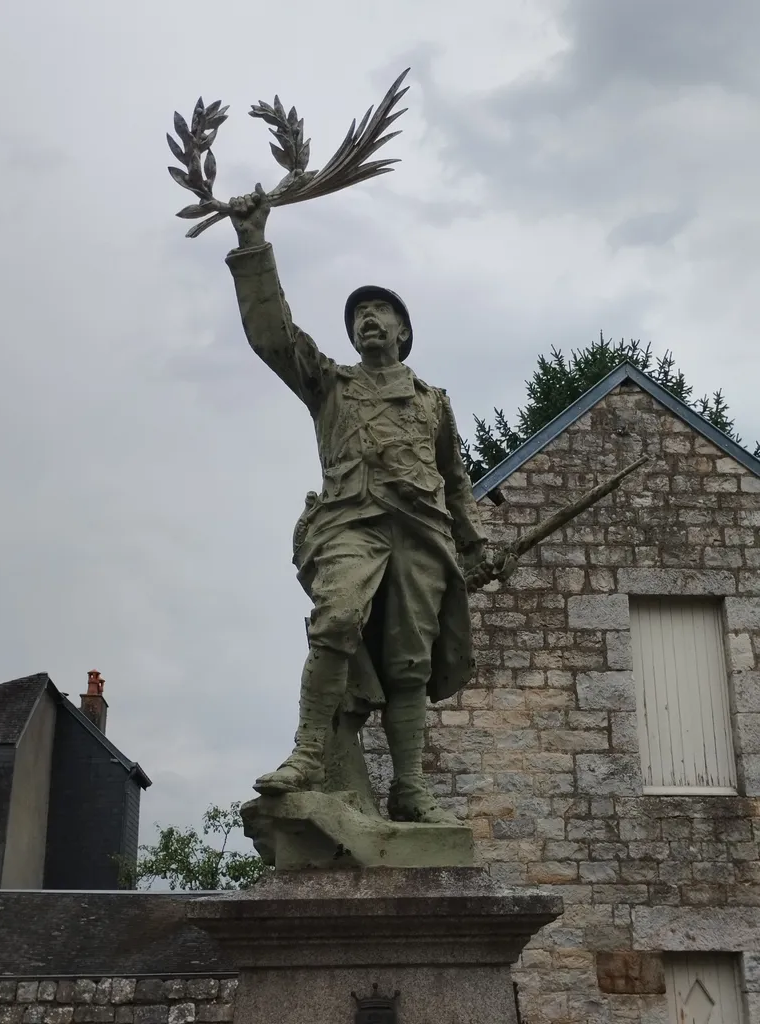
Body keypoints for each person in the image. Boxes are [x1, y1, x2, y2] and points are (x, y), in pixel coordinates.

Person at [225, 187, 488, 825]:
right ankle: (307, 753)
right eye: (359, 315)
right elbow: (275, 337)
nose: (368, 319)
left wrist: (475, 545)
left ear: (403, 331)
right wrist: (254, 245)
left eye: (380, 311)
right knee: (336, 618)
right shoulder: (331, 385)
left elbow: (454, 481)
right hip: (351, 522)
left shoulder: (434, 401)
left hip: (422, 535)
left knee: (409, 665)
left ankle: (409, 790)